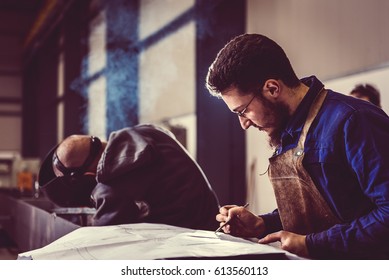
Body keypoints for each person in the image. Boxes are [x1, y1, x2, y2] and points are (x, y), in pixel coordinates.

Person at [206, 33, 389, 259]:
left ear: (272, 89)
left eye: (243, 111)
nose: (243, 124)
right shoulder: (289, 131)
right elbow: (325, 210)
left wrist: (313, 244)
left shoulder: (354, 120)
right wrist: (263, 224)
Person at [38, 124, 220, 231]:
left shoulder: (111, 187)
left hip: (192, 256)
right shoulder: (148, 131)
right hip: (212, 228)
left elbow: (100, 245)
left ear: (87, 176)